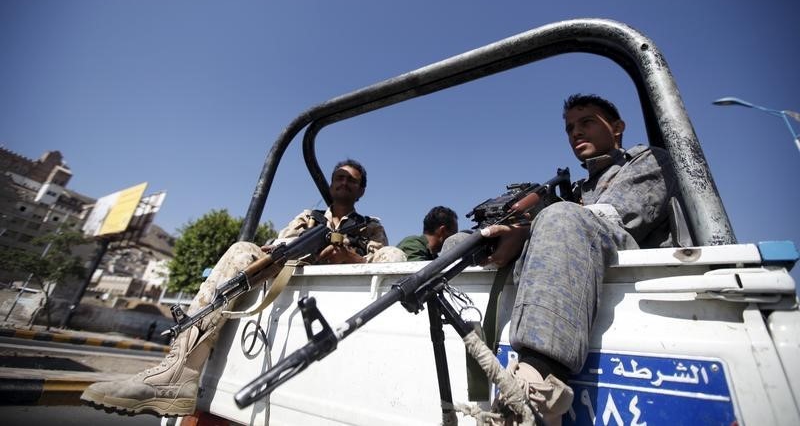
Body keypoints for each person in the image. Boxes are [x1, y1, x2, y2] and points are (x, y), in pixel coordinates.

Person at [81, 159, 404, 417]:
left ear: (360, 190)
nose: (343, 182)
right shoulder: (309, 217)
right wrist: (279, 249)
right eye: (339, 177)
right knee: (241, 250)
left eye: (351, 180)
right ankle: (179, 373)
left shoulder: (369, 225)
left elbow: (381, 260)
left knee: (396, 255)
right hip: (294, 274)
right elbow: (278, 244)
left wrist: (347, 256)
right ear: (331, 183)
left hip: (350, 286)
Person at [451, 94, 678, 425]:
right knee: (465, 242)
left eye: (586, 122)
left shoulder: (647, 161)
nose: (575, 133)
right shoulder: (575, 190)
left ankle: (534, 394)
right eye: (570, 128)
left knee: (560, 218)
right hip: (565, 263)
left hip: (627, 270)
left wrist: (531, 227)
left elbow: (612, 216)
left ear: (617, 128)